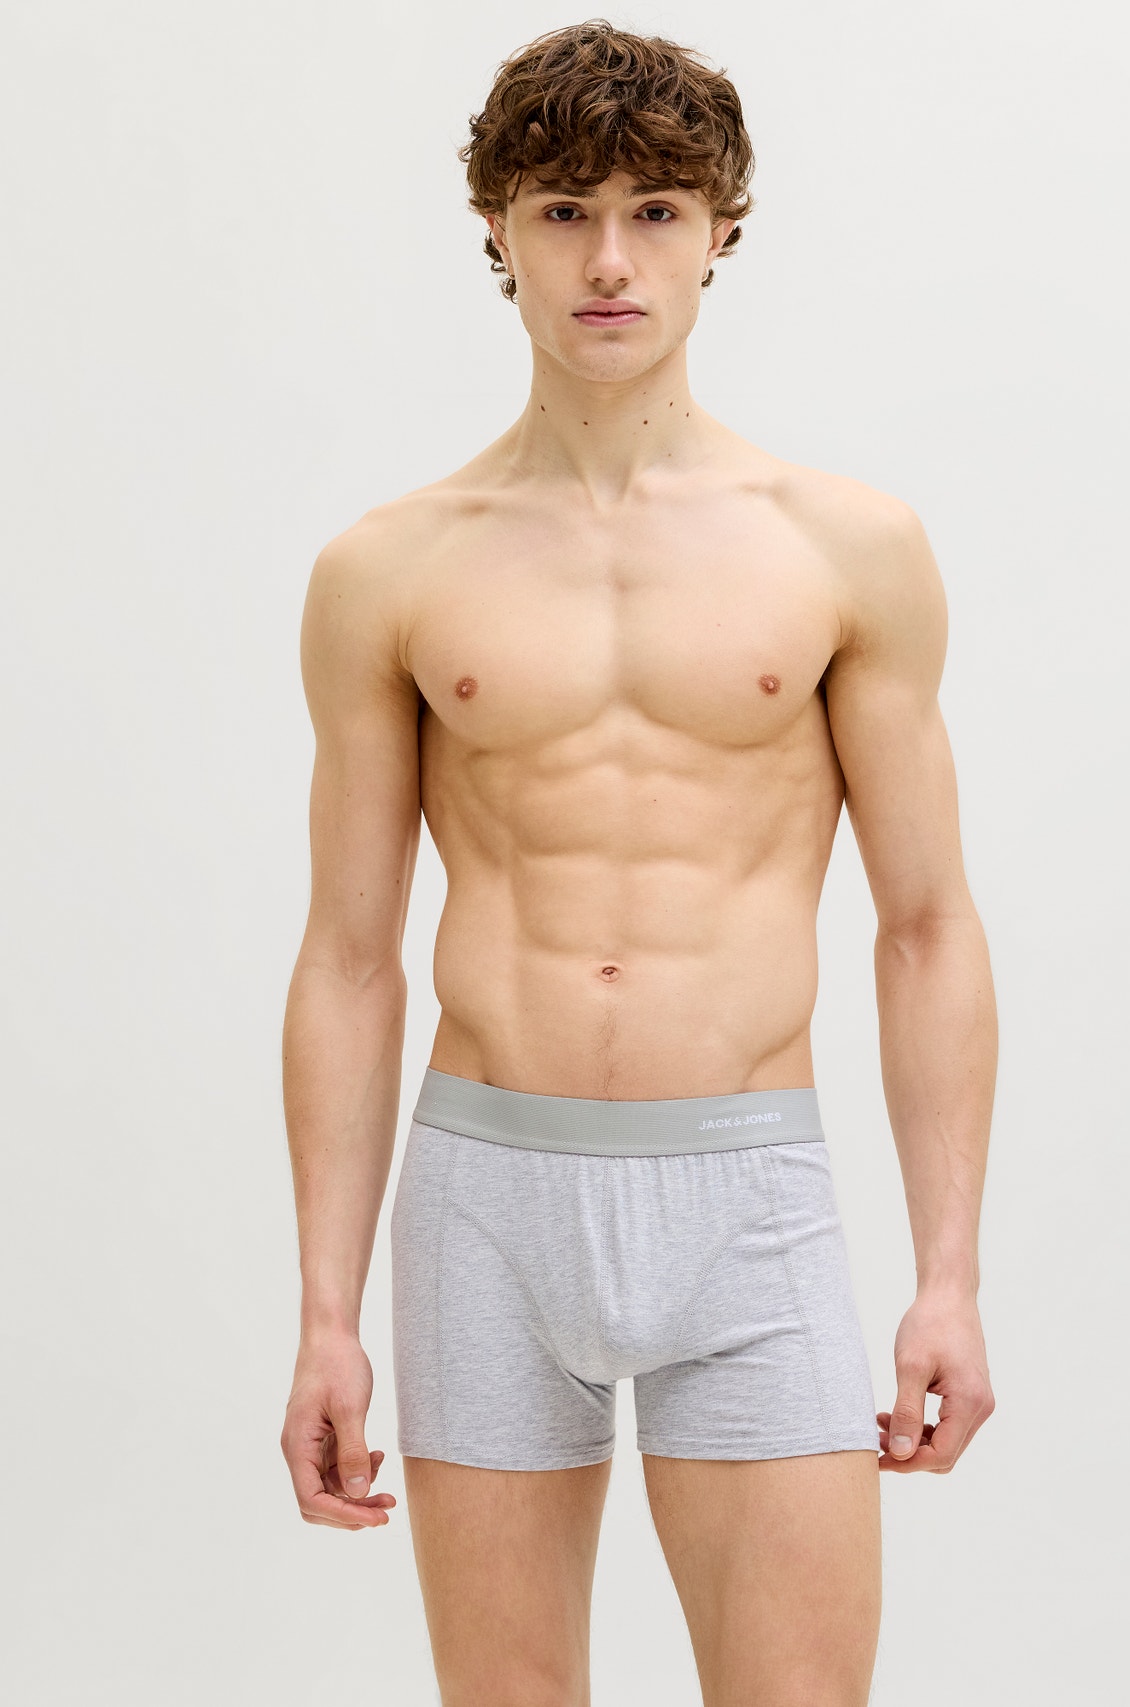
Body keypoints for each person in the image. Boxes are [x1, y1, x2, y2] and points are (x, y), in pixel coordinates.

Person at [279, 17, 997, 1706]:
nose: (610, 261)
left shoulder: (847, 548)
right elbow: (349, 957)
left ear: (720, 229)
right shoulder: (387, 569)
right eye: (563, 212)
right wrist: (325, 1313)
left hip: (748, 1198)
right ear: (499, 230)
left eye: (656, 212)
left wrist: (949, 1278)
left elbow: (926, 925)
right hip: (485, 1202)